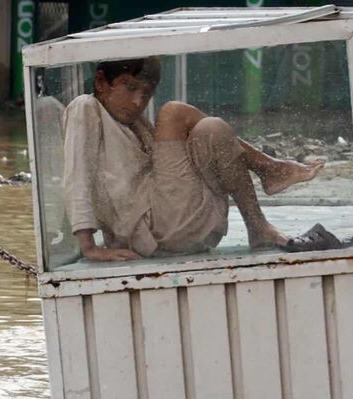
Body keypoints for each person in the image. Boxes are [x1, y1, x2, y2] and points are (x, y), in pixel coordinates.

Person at [62, 57, 323, 262]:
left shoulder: (135, 123)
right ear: (100, 82)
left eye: (146, 92)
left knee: (212, 128)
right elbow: (77, 174)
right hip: (149, 230)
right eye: (129, 87)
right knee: (174, 112)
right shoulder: (85, 107)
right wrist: (88, 247)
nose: (138, 101)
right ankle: (267, 167)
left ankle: (258, 226)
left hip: (178, 227)